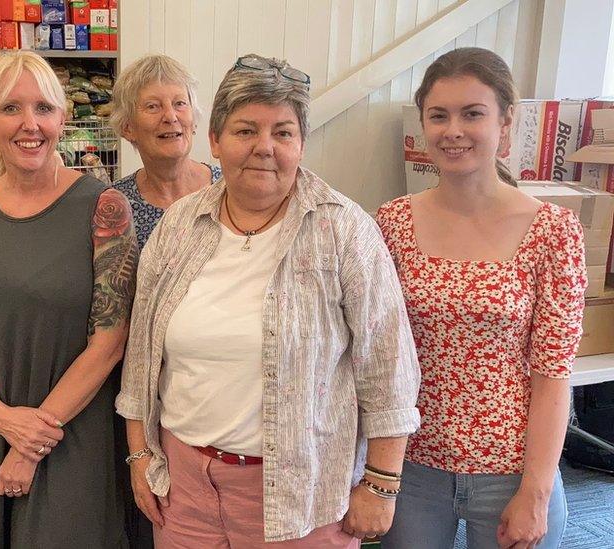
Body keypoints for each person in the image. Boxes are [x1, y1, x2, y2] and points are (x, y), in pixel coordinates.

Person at [116, 53, 421, 548]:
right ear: (214, 140)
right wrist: (139, 454)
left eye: (283, 132)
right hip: (184, 489)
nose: (264, 148)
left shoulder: (343, 231)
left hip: (300, 494)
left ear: (301, 143)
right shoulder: (178, 227)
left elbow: (388, 367)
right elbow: (144, 354)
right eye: (244, 131)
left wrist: (382, 483)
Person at [378, 47, 584, 549]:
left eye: (473, 113)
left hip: (513, 473)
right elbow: (376, 356)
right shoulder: (391, 224)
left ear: (505, 123)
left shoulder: (553, 232)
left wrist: (535, 491)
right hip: (412, 467)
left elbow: (553, 375)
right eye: (439, 115)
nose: (454, 131)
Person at [0, 51, 137, 548]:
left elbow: (109, 342)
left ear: (62, 119)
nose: (30, 124)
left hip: (71, 432)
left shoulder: (105, 208)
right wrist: (4, 420)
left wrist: (31, 441)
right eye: (10, 109)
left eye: (43, 108)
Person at [109, 54, 222, 251]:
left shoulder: (227, 189)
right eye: (153, 106)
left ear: (193, 119)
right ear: (127, 127)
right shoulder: (116, 205)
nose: (170, 116)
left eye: (180, 104)